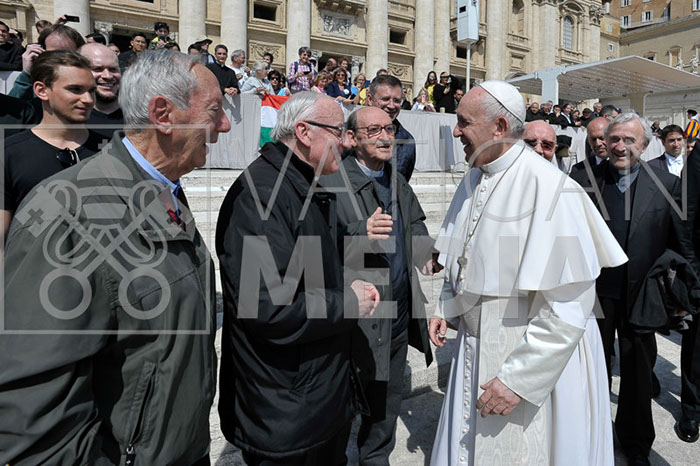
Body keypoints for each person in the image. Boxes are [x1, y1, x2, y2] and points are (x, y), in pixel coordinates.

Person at [0, 49, 230, 465]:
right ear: (163, 114)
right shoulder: (68, 212)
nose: (225, 125)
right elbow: (37, 416)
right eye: (214, 111)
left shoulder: (162, 189)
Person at [430, 80, 625, 466]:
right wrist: (446, 305)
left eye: (464, 122)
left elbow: (569, 305)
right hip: (475, 345)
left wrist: (519, 380)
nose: (455, 131)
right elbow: (459, 252)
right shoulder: (474, 176)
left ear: (499, 127)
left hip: (528, 359)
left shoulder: (551, 189)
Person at [216, 92, 380, 465]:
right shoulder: (262, 195)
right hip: (286, 415)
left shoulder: (304, 185)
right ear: (304, 132)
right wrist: (349, 302)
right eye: (338, 131)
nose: (347, 142)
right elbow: (268, 307)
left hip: (314, 401)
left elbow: (316, 267)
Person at [570, 113, 696, 464]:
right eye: (614, 139)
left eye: (629, 140)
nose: (620, 146)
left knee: (638, 375)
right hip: (593, 297)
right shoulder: (583, 180)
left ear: (644, 145)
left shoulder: (667, 184)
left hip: (643, 296)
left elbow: (680, 243)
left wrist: (688, 289)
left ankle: (636, 444)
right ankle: (590, 436)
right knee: (590, 371)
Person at [321, 106, 438, 464]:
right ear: (351, 138)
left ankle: (375, 458)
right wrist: (360, 235)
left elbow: (414, 224)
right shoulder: (331, 182)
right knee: (341, 406)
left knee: (386, 405)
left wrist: (427, 254)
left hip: (397, 313)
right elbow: (315, 248)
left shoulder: (397, 180)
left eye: (389, 129)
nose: (386, 137)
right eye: (374, 130)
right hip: (354, 319)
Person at [2, 50, 104, 238]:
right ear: (41, 90)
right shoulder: (8, 155)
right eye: (75, 89)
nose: (88, 100)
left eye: (91, 90)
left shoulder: (110, 149)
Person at [8, 24, 85, 100]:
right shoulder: (36, 82)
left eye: (68, 54)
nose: (61, 59)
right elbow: (11, 105)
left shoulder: (86, 81)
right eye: (54, 54)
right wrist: (27, 74)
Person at [367, 74, 416, 181]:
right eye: (385, 99)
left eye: (397, 101)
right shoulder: (350, 133)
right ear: (370, 99)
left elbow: (403, 184)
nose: (391, 106)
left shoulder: (408, 141)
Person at [79, 43, 124, 141]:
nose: (108, 76)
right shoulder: (70, 118)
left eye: (113, 69)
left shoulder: (138, 117)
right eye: (98, 69)